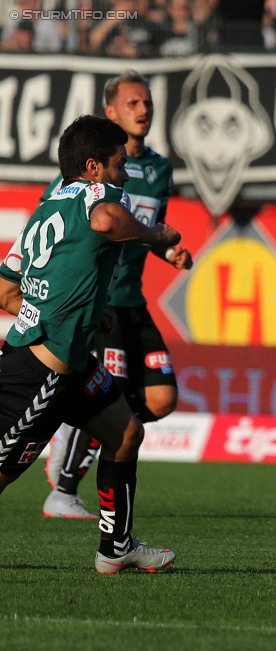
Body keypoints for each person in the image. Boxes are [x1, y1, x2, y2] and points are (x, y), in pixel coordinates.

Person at [0, 114, 180, 573]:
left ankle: (116, 547)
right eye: (119, 164)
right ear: (94, 167)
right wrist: (155, 234)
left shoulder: (48, 206)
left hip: (70, 363)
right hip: (40, 373)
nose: (124, 174)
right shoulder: (100, 194)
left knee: (125, 434)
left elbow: (5, 290)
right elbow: (106, 220)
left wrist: (76, 311)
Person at [42, 71, 193, 519]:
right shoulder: (88, 172)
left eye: (147, 102)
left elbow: (145, 230)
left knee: (162, 398)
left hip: (133, 299)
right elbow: (59, 218)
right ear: (111, 112)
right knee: (116, 392)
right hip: (100, 300)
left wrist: (169, 251)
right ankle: (64, 490)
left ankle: (78, 432)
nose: (143, 109)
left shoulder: (160, 169)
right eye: (132, 103)